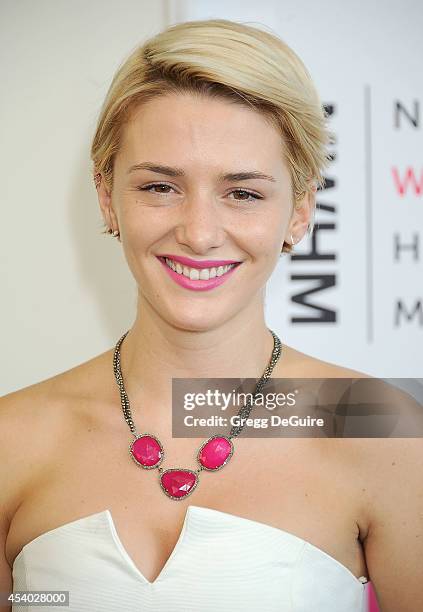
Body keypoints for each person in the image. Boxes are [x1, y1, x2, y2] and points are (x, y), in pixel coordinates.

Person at [0, 18, 422, 612]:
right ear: (106, 195)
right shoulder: (11, 441)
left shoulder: (383, 434)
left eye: (243, 193)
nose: (198, 233)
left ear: (299, 212)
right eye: (159, 187)